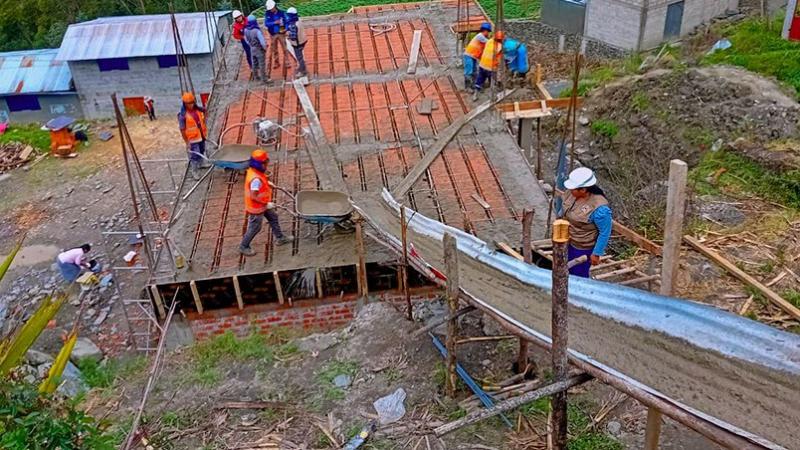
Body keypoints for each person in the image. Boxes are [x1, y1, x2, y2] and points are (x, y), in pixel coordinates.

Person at [560, 167, 612, 278]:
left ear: (583, 190)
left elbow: (605, 232)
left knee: (578, 274)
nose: (570, 190)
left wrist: (596, 253)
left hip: (582, 246)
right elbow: (564, 210)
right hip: (567, 240)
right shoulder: (571, 194)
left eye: (573, 189)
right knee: (564, 267)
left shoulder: (599, 208)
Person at [239, 149, 293, 256]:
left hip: (262, 204)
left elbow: (259, 181)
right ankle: (244, 246)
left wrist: (267, 183)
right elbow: (253, 196)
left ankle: (280, 238)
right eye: (265, 162)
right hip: (257, 208)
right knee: (255, 227)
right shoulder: (255, 180)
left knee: (273, 217)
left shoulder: (253, 171)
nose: (267, 164)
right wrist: (266, 204)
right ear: (260, 164)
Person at [177, 92, 207, 178]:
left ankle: (201, 164)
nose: (191, 105)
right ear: (185, 104)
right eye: (189, 103)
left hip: (201, 135)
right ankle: (194, 170)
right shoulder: (183, 116)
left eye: (192, 102)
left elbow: (204, 114)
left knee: (202, 150)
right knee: (195, 155)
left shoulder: (198, 110)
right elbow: (182, 129)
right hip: (192, 139)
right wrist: (187, 142)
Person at [473, 30, 504, 100]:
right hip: (490, 68)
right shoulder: (500, 47)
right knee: (492, 81)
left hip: (482, 64)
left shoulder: (489, 41)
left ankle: (475, 95)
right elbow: (499, 60)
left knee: (480, 79)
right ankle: (493, 97)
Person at [463, 22, 492, 92]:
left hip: (474, 56)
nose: (488, 33)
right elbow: (489, 43)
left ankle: (473, 85)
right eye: (488, 32)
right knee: (469, 71)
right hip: (469, 55)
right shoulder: (480, 36)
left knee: (474, 71)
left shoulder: (483, 39)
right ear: (485, 30)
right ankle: (468, 87)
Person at [264, 0, 289, 69]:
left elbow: (287, 21)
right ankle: (276, 62)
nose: (271, 10)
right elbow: (266, 23)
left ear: (275, 6)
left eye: (271, 8)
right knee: (274, 49)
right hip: (273, 34)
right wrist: (274, 22)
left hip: (281, 33)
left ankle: (287, 61)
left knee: (285, 48)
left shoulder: (282, 12)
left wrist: (286, 29)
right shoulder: (267, 14)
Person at [244, 14, 268, 82]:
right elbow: (262, 42)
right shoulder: (257, 31)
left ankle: (256, 77)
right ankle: (264, 79)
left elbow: (246, 40)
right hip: (259, 49)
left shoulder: (245, 30)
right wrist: (265, 48)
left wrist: (251, 45)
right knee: (261, 64)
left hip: (252, 48)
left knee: (254, 63)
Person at [286, 7, 308, 78]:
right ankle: (301, 68)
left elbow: (293, 37)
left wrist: (288, 35)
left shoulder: (293, 25)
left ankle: (303, 71)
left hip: (297, 43)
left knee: (299, 58)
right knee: (300, 56)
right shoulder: (299, 20)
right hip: (303, 40)